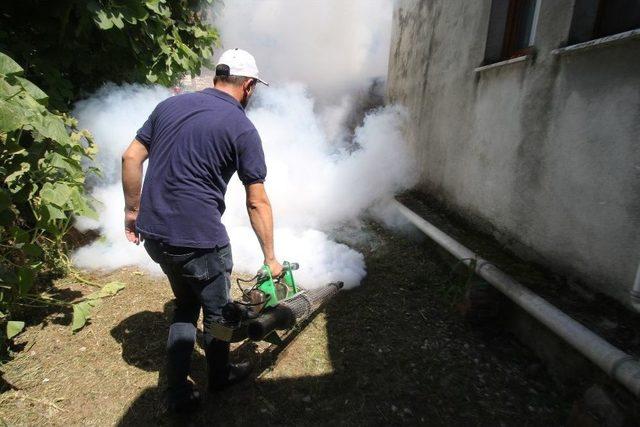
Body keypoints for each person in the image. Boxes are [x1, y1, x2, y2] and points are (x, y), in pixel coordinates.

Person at [121, 48, 283, 413]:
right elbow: (257, 201)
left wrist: (133, 212)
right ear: (249, 86)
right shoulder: (242, 126)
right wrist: (271, 258)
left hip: (156, 235)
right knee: (219, 317)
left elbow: (131, 157)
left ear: (218, 76)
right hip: (199, 243)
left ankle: (176, 392)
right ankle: (220, 374)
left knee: (184, 305)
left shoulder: (169, 107)